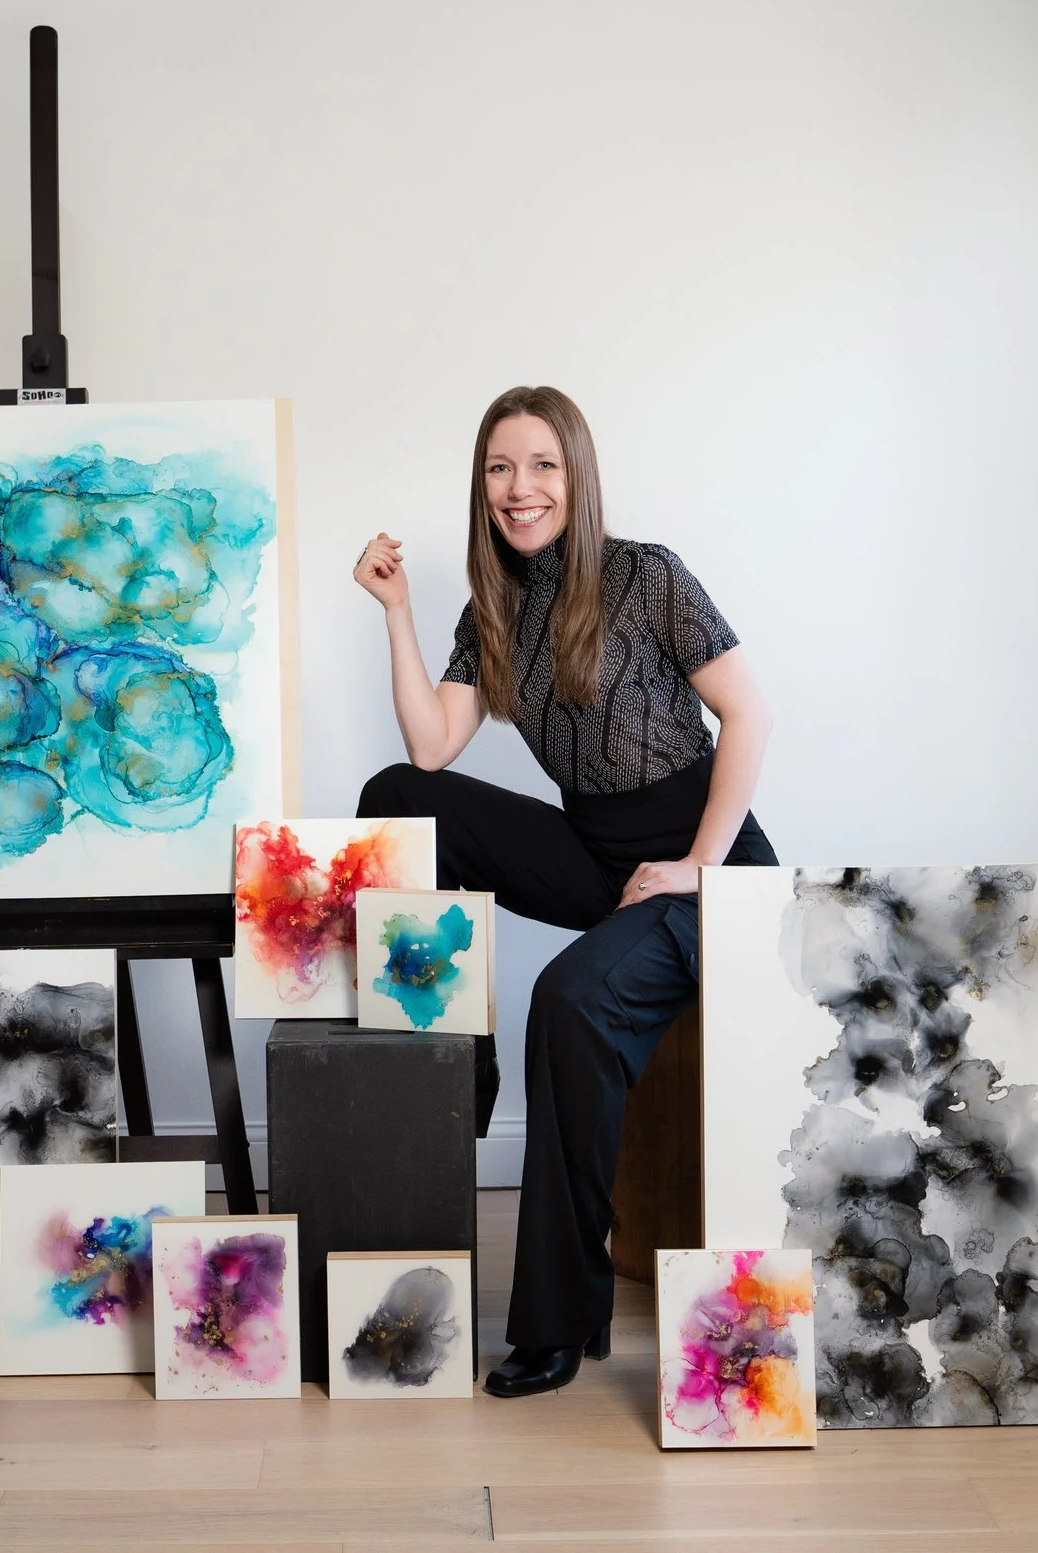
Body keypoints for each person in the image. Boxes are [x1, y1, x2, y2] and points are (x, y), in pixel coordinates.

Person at [350, 384, 775, 1397]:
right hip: (598, 853)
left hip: (704, 874)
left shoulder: (646, 575)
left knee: (571, 998)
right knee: (397, 795)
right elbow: (431, 745)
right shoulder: (492, 604)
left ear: (575, 476)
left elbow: (750, 716)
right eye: (500, 467)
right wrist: (398, 613)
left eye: (540, 464)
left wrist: (701, 869)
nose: (519, 486)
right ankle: (465, 1048)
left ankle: (556, 1317)